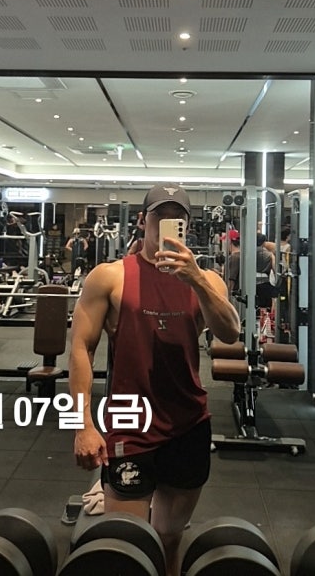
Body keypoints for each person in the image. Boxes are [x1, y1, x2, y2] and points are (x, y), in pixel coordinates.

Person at [69, 184, 240, 576]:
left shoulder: (207, 280)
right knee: (127, 543)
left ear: (187, 225)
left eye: (177, 217)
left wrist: (195, 279)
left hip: (187, 423)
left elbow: (231, 332)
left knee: (168, 537)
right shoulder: (110, 276)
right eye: (160, 215)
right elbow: (80, 349)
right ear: (143, 220)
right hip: (130, 421)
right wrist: (82, 425)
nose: (167, 223)